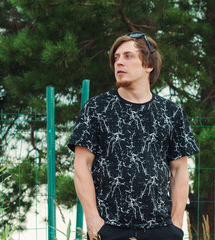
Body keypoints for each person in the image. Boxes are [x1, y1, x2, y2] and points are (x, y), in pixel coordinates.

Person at [68, 32, 199, 240]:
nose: (119, 62)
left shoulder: (172, 113)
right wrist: (94, 221)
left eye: (128, 56)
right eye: (116, 58)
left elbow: (180, 170)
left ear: (149, 65)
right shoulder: (96, 109)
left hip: (161, 229)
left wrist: (176, 223)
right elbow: (81, 165)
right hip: (110, 229)